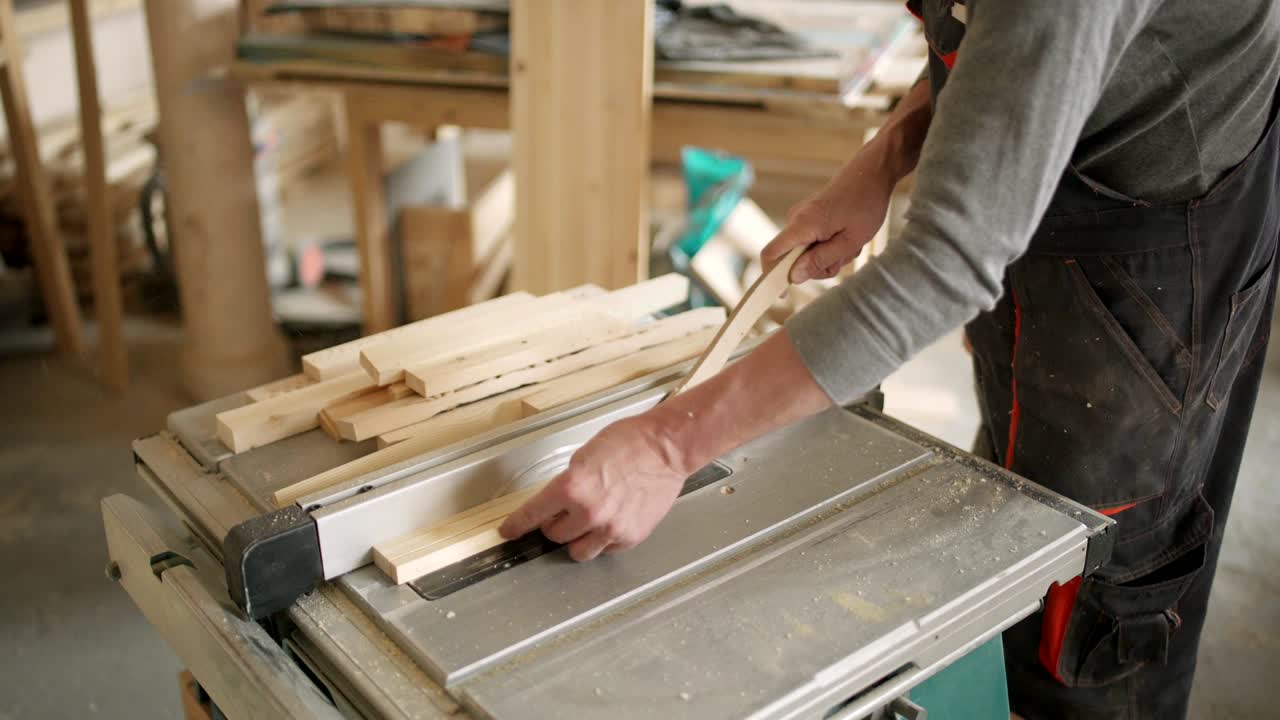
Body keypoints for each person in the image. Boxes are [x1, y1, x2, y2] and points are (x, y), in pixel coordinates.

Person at [498, 1, 1280, 717]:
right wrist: (883, 161)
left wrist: (667, 445)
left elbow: (945, 263)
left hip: (1158, 239)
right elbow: (997, 49)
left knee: (1098, 597)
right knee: (1020, 512)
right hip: (1075, 184)